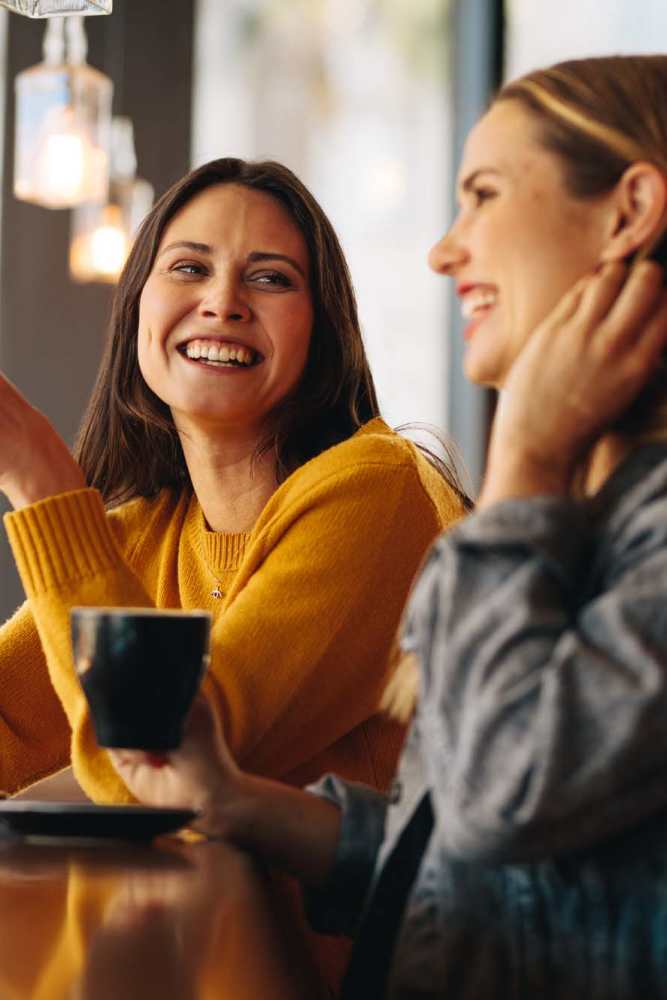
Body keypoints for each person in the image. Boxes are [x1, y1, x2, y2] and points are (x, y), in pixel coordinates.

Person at [110, 54, 667, 998]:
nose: (444, 251)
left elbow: (507, 798)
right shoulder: (595, 515)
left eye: (482, 195)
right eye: (188, 267)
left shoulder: (570, 506)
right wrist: (237, 803)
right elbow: (474, 871)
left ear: (629, 211)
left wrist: (524, 458)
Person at [0, 156, 467, 808]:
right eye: (190, 268)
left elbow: (161, 773)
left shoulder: (373, 491)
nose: (223, 303)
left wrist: (38, 475)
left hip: (368, 915)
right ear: (137, 307)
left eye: (271, 279)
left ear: (321, 330)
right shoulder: (147, 533)